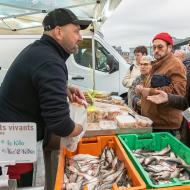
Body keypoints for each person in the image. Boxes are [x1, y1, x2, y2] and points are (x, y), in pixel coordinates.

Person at [0, 8, 91, 188]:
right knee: (22, 186)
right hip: (17, 144)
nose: (80, 37)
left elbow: (36, 82)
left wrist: (64, 88)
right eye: (76, 31)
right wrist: (81, 128)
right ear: (58, 32)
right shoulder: (50, 61)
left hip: (13, 133)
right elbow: (60, 124)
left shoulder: (40, 50)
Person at [136, 32, 187, 134]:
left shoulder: (175, 65)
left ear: (169, 47)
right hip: (153, 122)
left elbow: (179, 91)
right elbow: (151, 84)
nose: (156, 51)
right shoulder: (157, 63)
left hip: (166, 126)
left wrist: (148, 91)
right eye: (154, 47)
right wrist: (141, 88)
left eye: (160, 47)